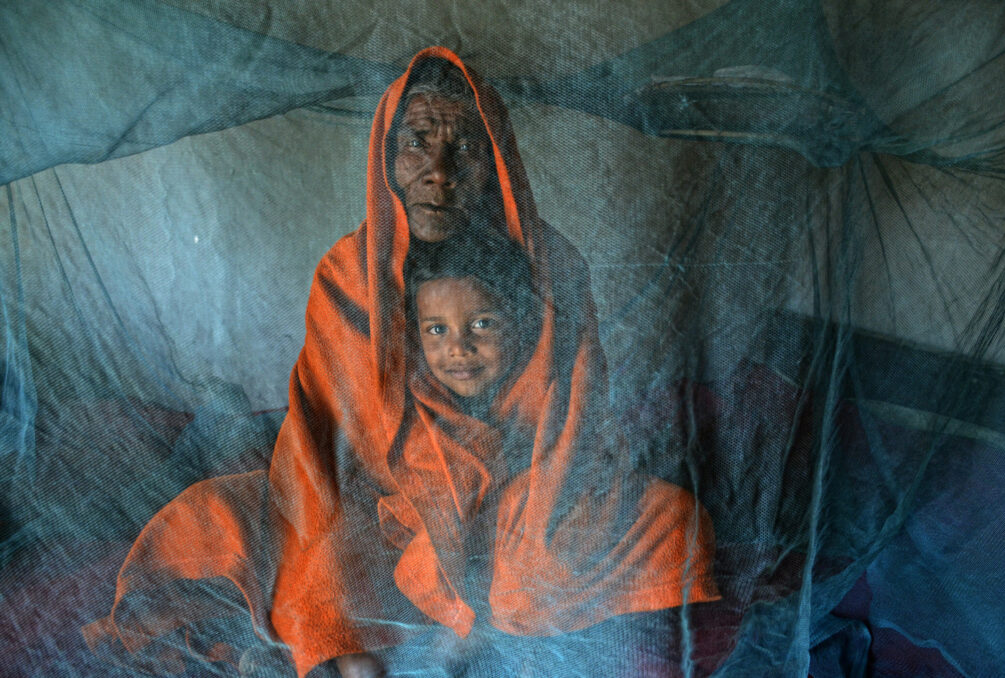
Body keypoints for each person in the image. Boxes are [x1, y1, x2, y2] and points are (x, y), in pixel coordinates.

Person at [85, 47, 719, 678]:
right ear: (386, 158)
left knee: (672, 523)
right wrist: (429, 508)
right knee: (234, 522)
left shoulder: (551, 267)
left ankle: (471, 598)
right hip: (384, 506)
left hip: (518, 496)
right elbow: (328, 448)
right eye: (417, 143)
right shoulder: (346, 277)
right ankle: (392, 627)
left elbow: (569, 425)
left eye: (464, 149)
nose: (438, 172)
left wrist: (511, 507)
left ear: (496, 162)